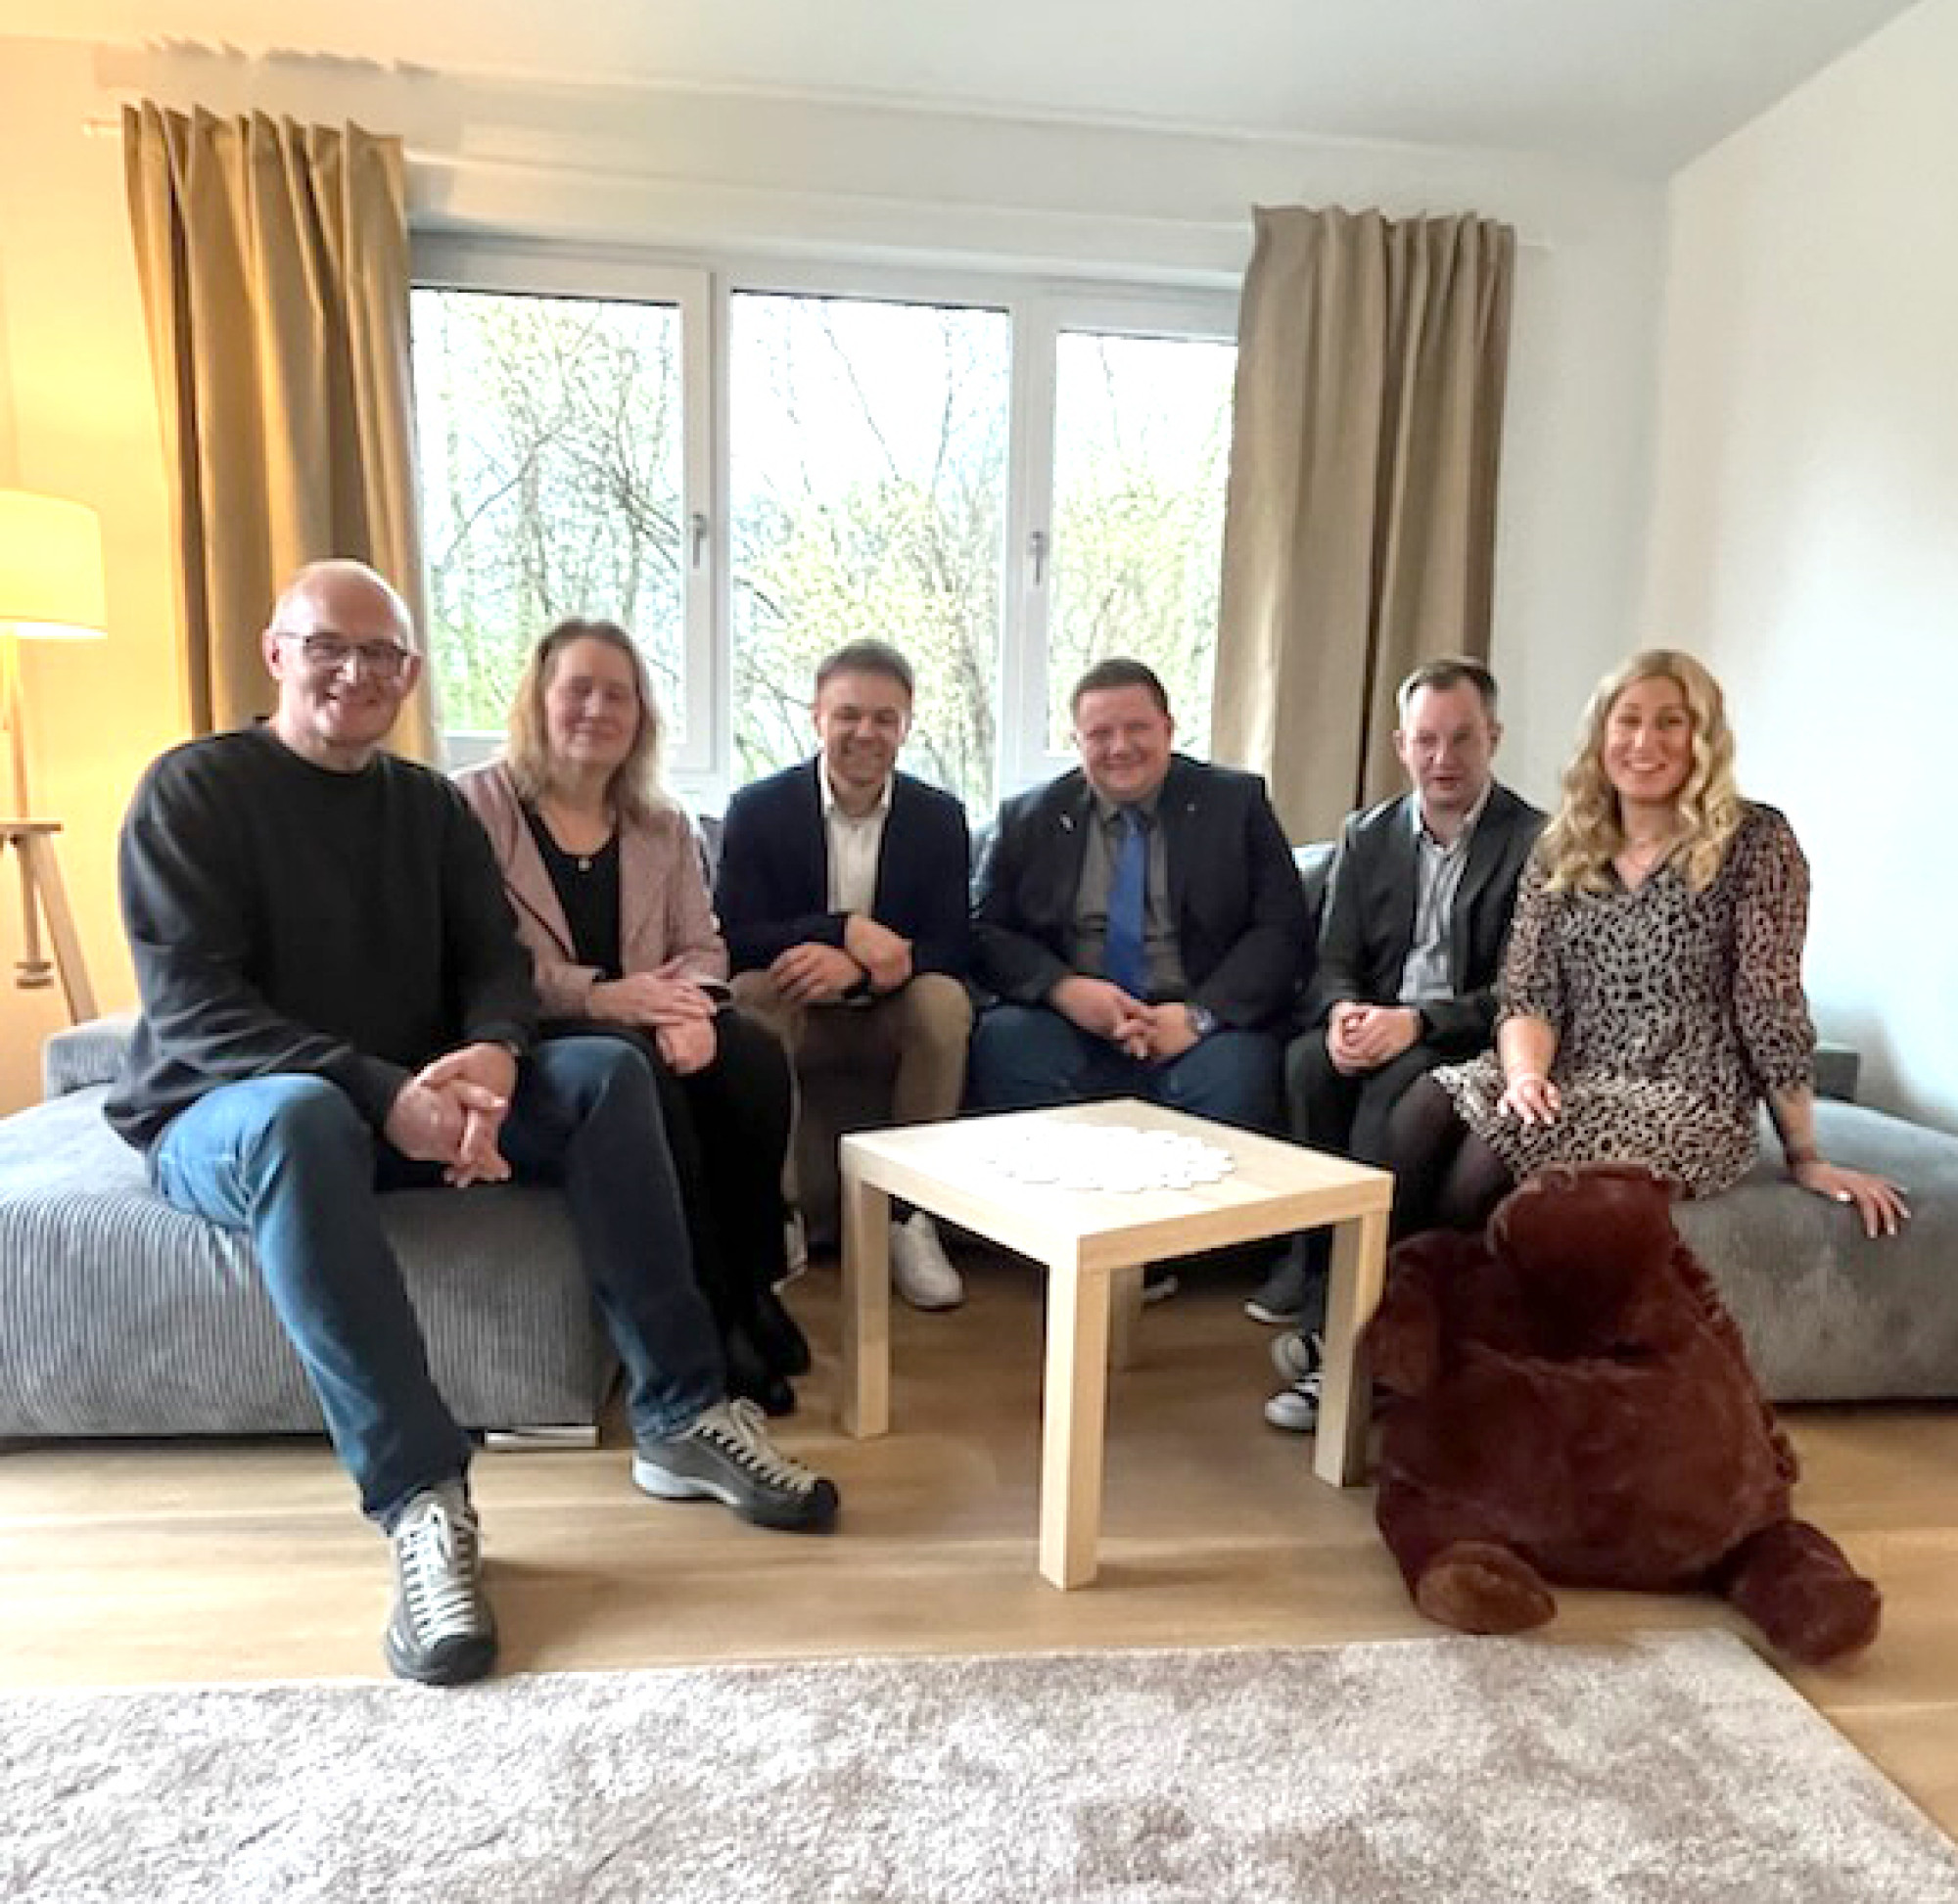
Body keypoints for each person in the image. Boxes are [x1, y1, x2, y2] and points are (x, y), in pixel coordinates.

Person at [106, 561, 839, 1692]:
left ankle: (682, 1413)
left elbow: (492, 964)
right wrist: (382, 1091)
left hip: (419, 1090)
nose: (354, 672)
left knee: (602, 1072)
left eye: (381, 654)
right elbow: (198, 1008)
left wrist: (494, 1053)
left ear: (409, 673)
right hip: (228, 1108)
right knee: (306, 1115)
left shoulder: (427, 806)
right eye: (327, 646)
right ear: (276, 653)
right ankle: (419, 1498)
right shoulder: (193, 791)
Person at [1390, 647, 1907, 1245]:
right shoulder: (1562, 847)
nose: (1644, 742)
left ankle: (1414, 1294)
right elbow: (1529, 992)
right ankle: (1356, 1287)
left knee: (1492, 1155)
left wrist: (1805, 1154)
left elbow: (1770, 1006)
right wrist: (1525, 1077)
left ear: (1702, 739)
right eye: (1628, 721)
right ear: (1602, 735)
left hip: (1688, 1093)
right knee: (1426, 1105)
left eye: (1670, 722)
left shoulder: (1756, 842)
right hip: (1570, 1072)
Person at [456, 618, 808, 1418]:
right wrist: (598, 997)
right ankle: (712, 1312)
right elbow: (475, 960)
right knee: (640, 1071)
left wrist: (696, 1007)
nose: (598, 709)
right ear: (538, 699)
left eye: (619, 694)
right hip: (537, 1032)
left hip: (650, 1018)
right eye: (578, 689)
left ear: (642, 715)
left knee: (752, 1054)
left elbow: (703, 944)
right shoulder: (473, 807)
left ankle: (753, 1284)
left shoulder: (663, 822)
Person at [1258, 658, 1544, 1431]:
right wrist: (1342, 1012)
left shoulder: (1536, 843)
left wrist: (1416, 1023)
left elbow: (1524, 991)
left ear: (1494, 737)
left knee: (1395, 1090)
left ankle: (1342, 1325)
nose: (1443, 758)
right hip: (1378, 1019)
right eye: (1426, 740)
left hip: (1463, 1035)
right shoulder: (1368, 834)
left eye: (1463, 738)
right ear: (1401, 744)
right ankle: (1313, 1270)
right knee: (1306, 1064)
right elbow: (1331, 958)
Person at [715, 640, 974, 1310]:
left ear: (906, 725)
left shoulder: (939, 817)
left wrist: (861, 971)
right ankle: (780, 1213)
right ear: (817, 718)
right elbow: (733, 938)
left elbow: (953, 945)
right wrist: (840, 930)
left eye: (885, 718)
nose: (866, 732)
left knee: (944, 1001)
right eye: (849, 715)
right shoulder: (758, 809)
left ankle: (909, 1216)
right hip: (795, 1006)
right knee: (746, 997)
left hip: (889, 1009)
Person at [968, 658, 1306, 1151]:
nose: (1120, 747)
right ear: (1077, 741)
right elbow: (985, 930)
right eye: (1100, 734)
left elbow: (1281, 929)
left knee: (1241, 1072)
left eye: (1137, 728)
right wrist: (1063, 989)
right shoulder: (1028, 818)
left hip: (1200, 1024)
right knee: (1005, 1041)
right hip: (1075, 1021)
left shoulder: (1236, 804)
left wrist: (1198, 1016)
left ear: (1168, 729)